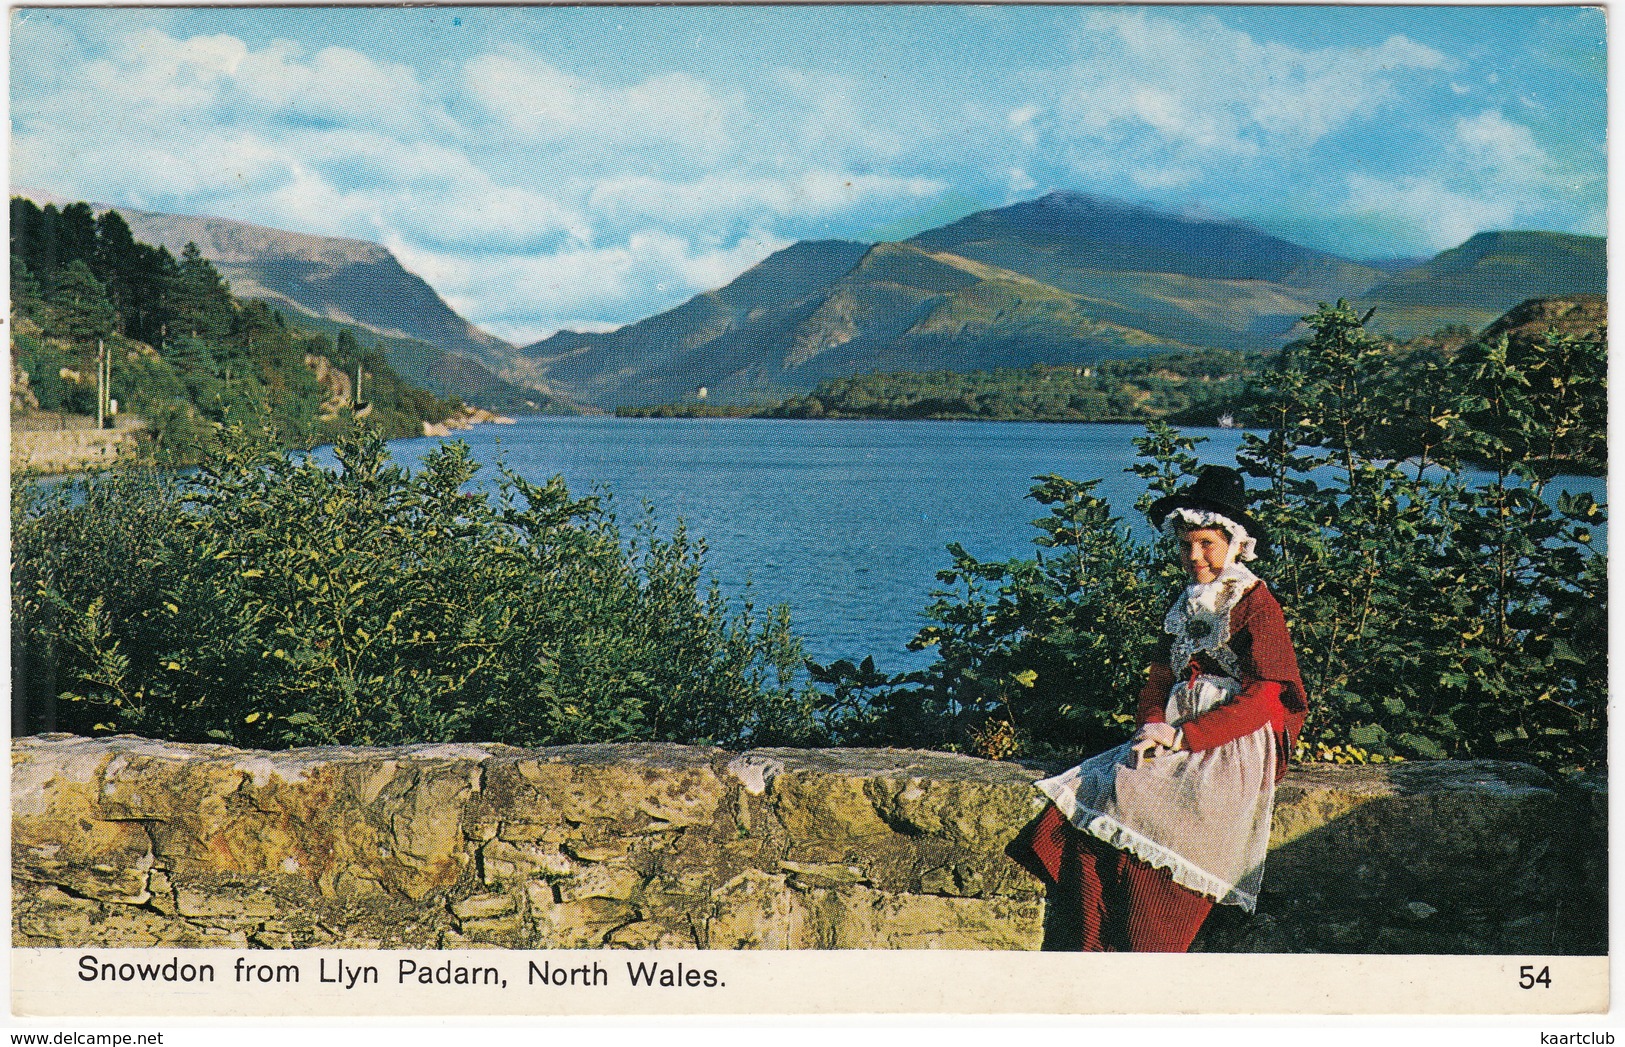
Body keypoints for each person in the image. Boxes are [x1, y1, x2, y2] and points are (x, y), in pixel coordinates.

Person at [1010, 465, 1307, 952]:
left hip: (1231, 740)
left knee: (1136, 799)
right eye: (1187, 544)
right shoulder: (1186, 601)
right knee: (1097, 789)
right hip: (1174, 728)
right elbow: (1160, 674)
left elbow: (1268, 697)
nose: (1195, 556)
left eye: (1206, 545)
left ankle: (1146, 938)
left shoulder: (1254, 601)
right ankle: (1098, 933)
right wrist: (1152, 723)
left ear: (1234, 545)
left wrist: (1186, 737)